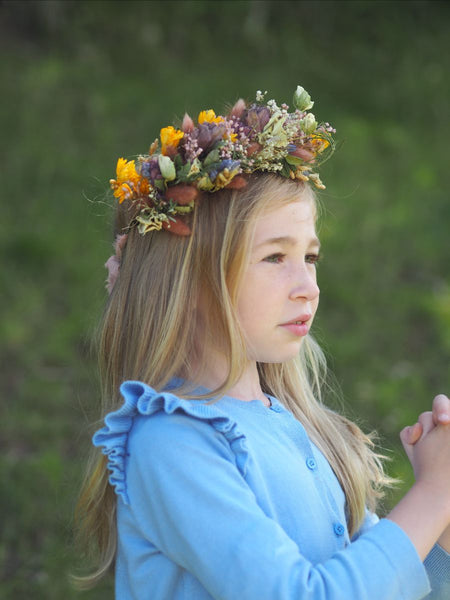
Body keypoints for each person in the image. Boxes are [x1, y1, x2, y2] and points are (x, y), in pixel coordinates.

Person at [75, 86, 450, 598]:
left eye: (310, 258)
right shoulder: (172, 444)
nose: (308, 286)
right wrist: (431, 493)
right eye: (276, 258)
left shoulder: (295, 424)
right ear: (190, 282)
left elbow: (385, 587)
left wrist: (444, 528)